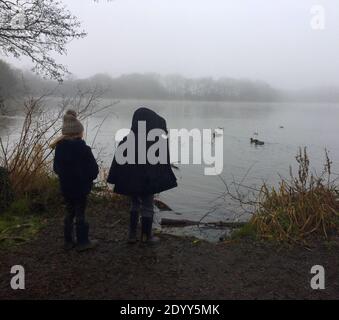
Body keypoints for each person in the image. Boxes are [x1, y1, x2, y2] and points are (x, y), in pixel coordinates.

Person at [107, 107, 177, 245]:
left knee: (134, 204)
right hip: (147, 183)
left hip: (130, 182)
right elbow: (163, 164)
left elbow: (117, 163)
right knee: (147, 206)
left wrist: (113, 178)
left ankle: (131, 235)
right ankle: (146, 237)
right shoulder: (157, 143)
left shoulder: (126, 140)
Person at [52, 110, 99, 251]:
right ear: (79, 133)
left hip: (66, 188)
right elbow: (94, 171)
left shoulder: (59, 149)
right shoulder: (84, 149)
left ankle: (68, 241)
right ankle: (83, 242)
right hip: (81, 189)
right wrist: (87, 179)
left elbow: (56, 169)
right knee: (80, 214)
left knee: (69, 213)